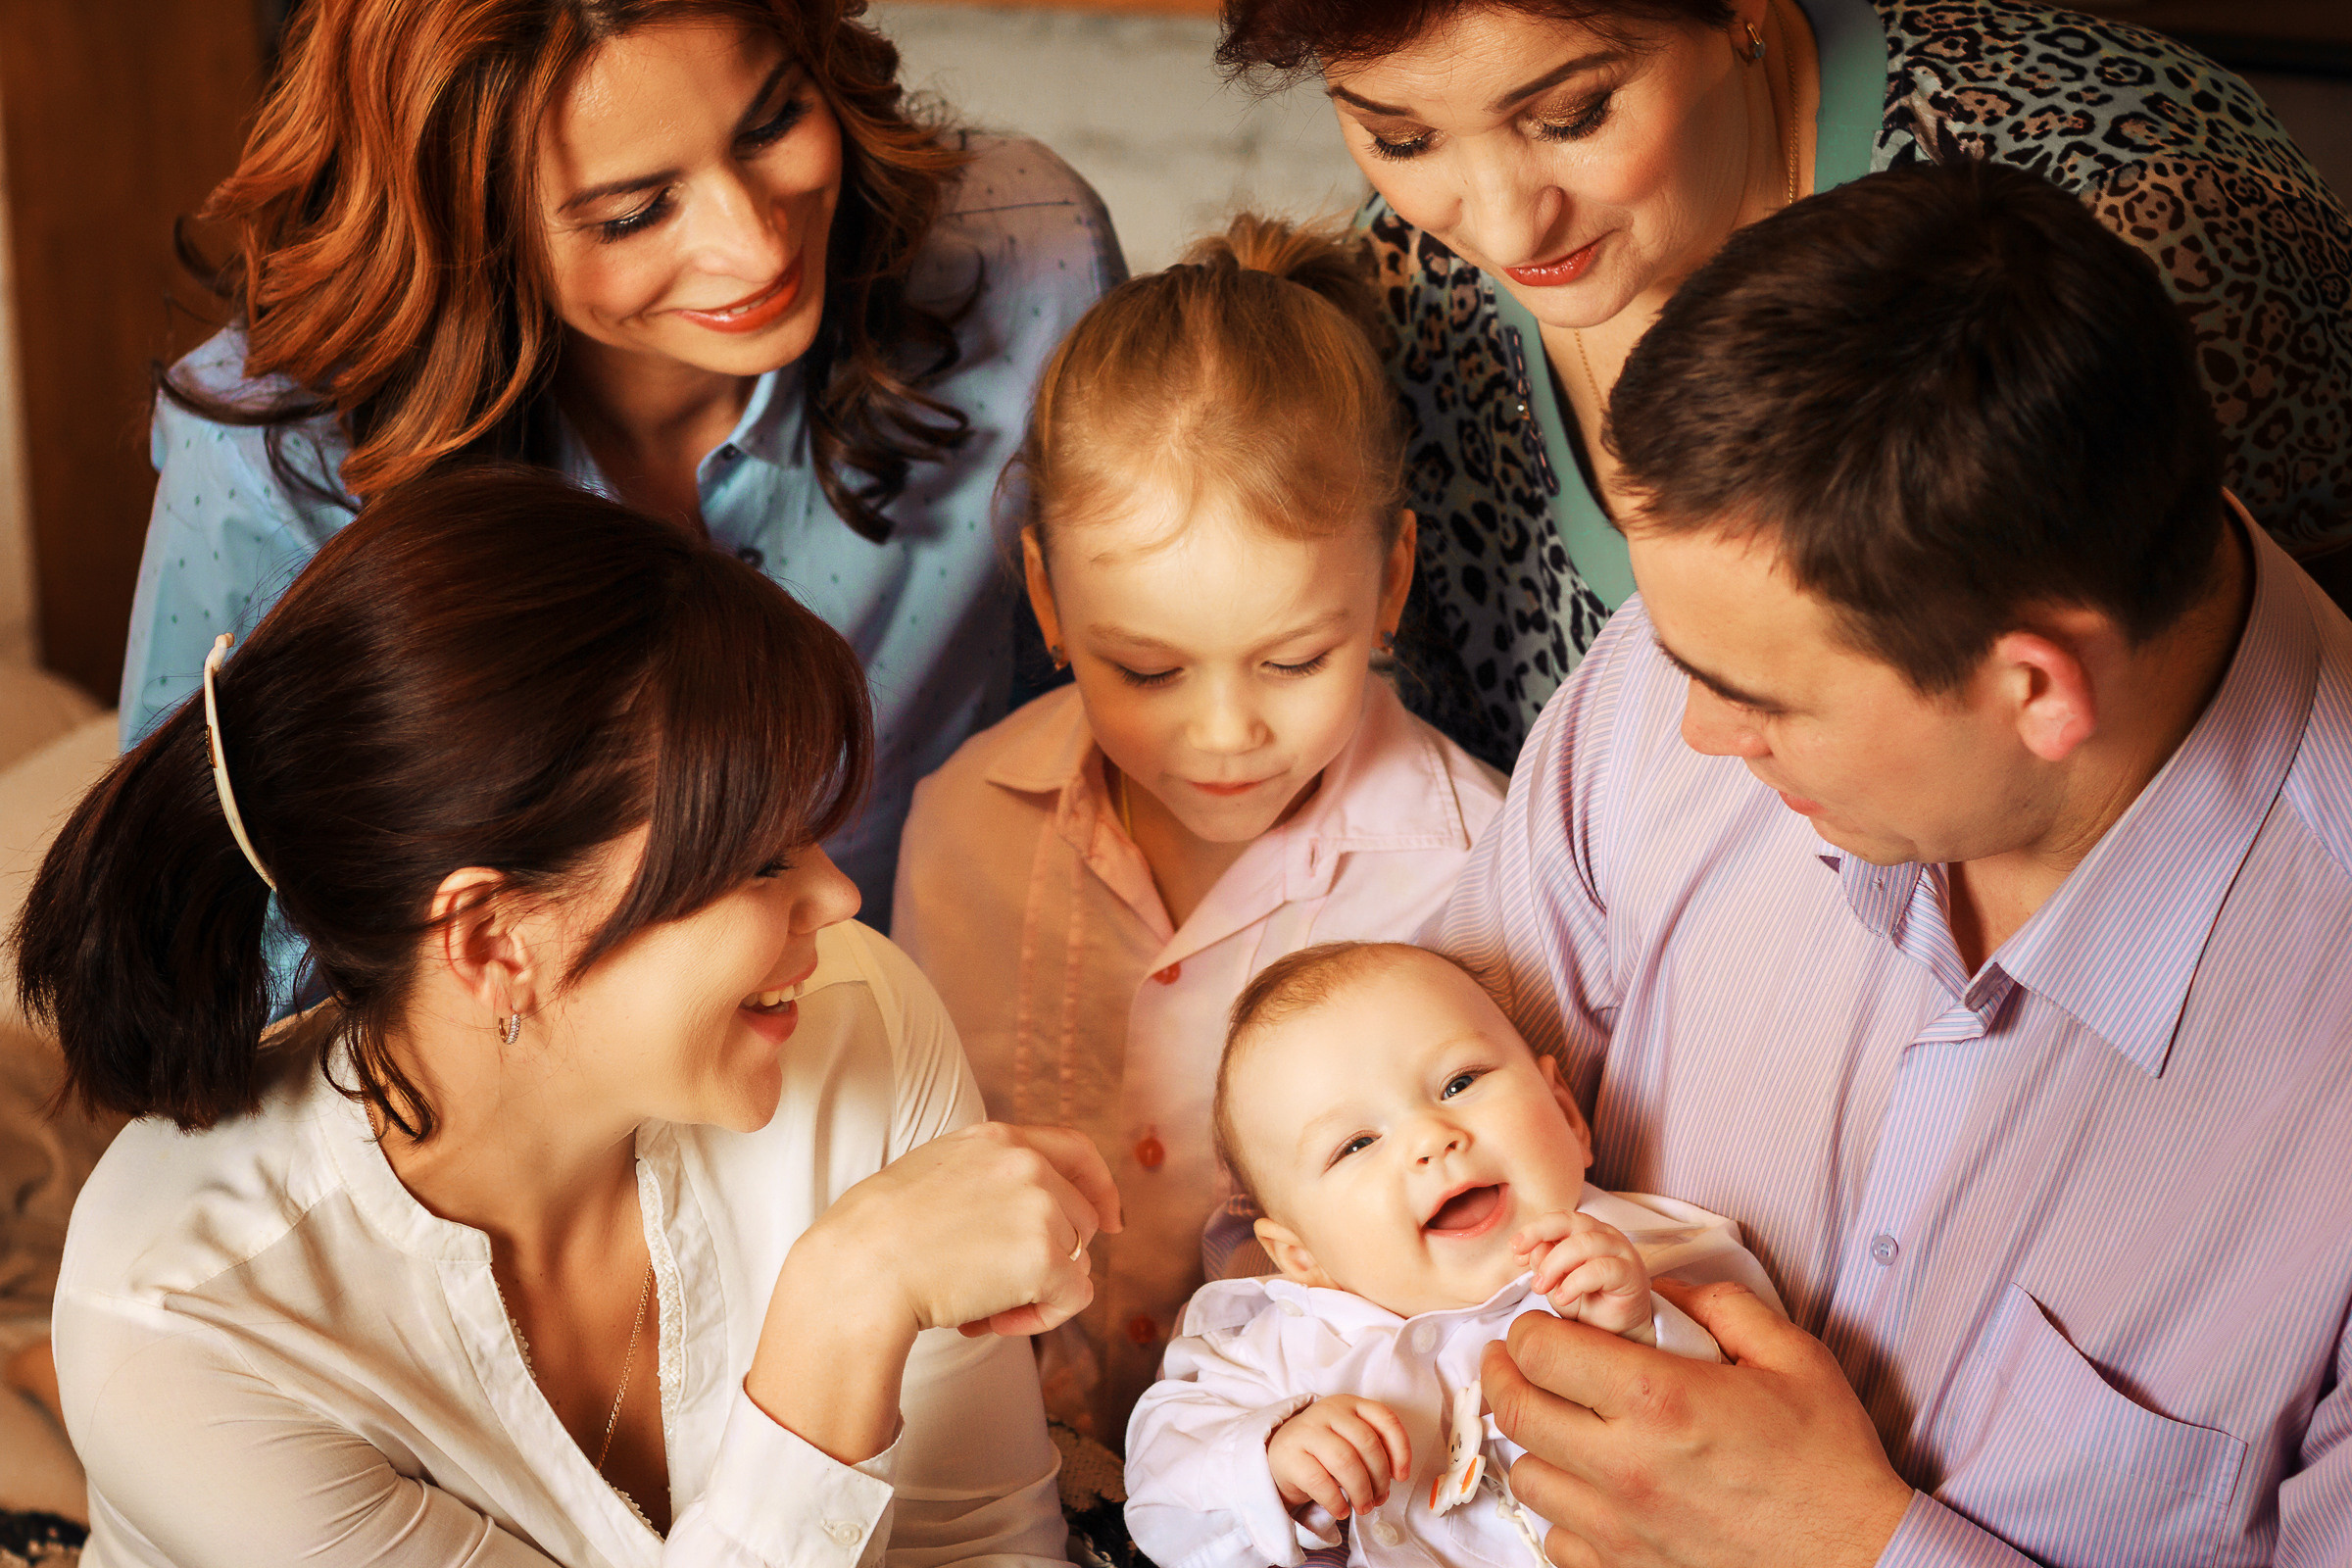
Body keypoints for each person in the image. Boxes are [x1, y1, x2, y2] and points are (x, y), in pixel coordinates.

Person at [1429, 159, 2352, 1565]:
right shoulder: (1713, 648)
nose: (1694, 730)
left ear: (2035, 690)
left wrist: (1855, 1552)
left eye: (1762, 700)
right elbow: (1326, 1156)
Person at [15, 468, 1119, 1567]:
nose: (838, 899)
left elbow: (985, 1540)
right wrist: (843, 1310)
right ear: (497, 941)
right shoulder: (184, 1317)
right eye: (759, 862)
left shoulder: (855, 1019)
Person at [127, 0, 1124, 923]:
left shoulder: (1032, 260)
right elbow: (180, 953)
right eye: (634, 213)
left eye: (773, 122)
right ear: (468, 227)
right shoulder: (267, 463)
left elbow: (1103, 745)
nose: (757, 243)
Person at [1216, 0, 2352, 769]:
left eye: (1572, 116)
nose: (1505, 221)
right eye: (1402, 139)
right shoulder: (1414, 308)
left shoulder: (2142, 214)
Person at [890, 218, 1506, 1445]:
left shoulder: (1475, 868)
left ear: (1388, 586)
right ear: (1048, 600)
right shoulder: (960, 823)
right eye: (1149, 670)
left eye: (1291, 659)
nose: (1224, 734)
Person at [1123, 942, 1782, 1568]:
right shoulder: (1289, 1343)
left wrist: (1639, 1328)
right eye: (1356, 1144)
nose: (1430, 1139)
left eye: (1459, 1082)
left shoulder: (1641, 1254)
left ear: (1567, 1115)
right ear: (1301, 1255)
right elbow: (1161, 1503)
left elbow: (1763, 1423)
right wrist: (1269, 1460)